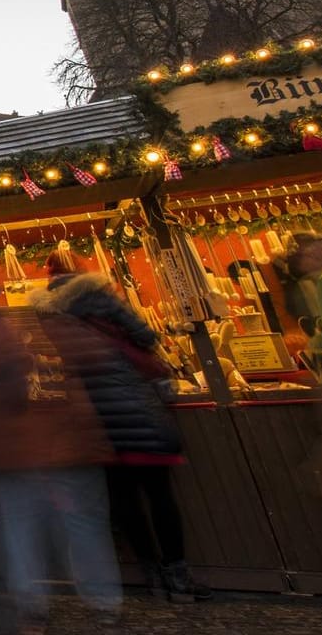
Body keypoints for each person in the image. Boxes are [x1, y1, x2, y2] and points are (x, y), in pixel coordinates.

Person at [0, 305, 118, 633]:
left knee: (20, 532)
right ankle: (100, 602)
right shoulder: (36, 340)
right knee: (75, 528)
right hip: (45, 451)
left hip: (10, 455)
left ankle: (33, 606)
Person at [35, 254, 210, 604]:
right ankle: (178, 575)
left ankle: (152, 577)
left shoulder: (46, 313)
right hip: (135, 405)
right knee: (160, 497)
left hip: (97, 419)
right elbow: (144, 335)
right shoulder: (99, 295)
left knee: (123, 500)